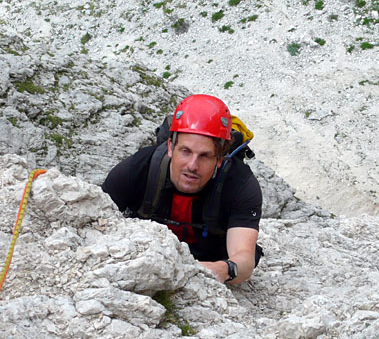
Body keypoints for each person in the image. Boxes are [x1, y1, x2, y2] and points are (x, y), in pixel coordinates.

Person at [102, 94, 262, 284]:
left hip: (209, 263)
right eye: (186, 152)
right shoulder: (137, 169)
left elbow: (244, 260)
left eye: (205, 156)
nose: (192, 165)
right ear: (170, 147)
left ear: (219, 159)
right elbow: (97, 221)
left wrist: (221, 270)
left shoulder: (239, 184)